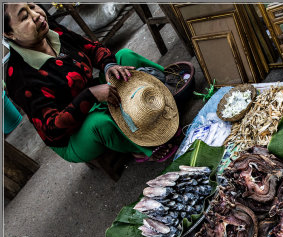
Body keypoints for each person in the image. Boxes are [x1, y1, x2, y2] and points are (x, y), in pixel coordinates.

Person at [4, 3, 180, 163]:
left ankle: (169, 89)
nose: (36, 15)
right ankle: (141, 148)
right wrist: (90, 95)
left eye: (33, 6)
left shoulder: (50, 30)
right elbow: (53, 129)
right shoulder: (20, 79)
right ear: (9, 33)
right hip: (72, 135)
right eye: (24, 17)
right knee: (99, 123)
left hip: (94, 95)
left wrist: (108, 66)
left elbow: (90, 47)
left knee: (125, 57)